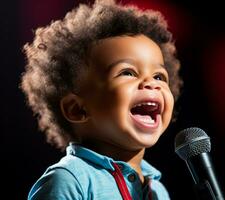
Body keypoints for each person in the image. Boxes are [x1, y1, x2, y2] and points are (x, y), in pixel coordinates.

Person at [21, 0, 182, 199]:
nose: (151, 83)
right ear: (77, 109)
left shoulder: (158, 191)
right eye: (128, 72)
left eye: (159, 76)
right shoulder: (69, 181)